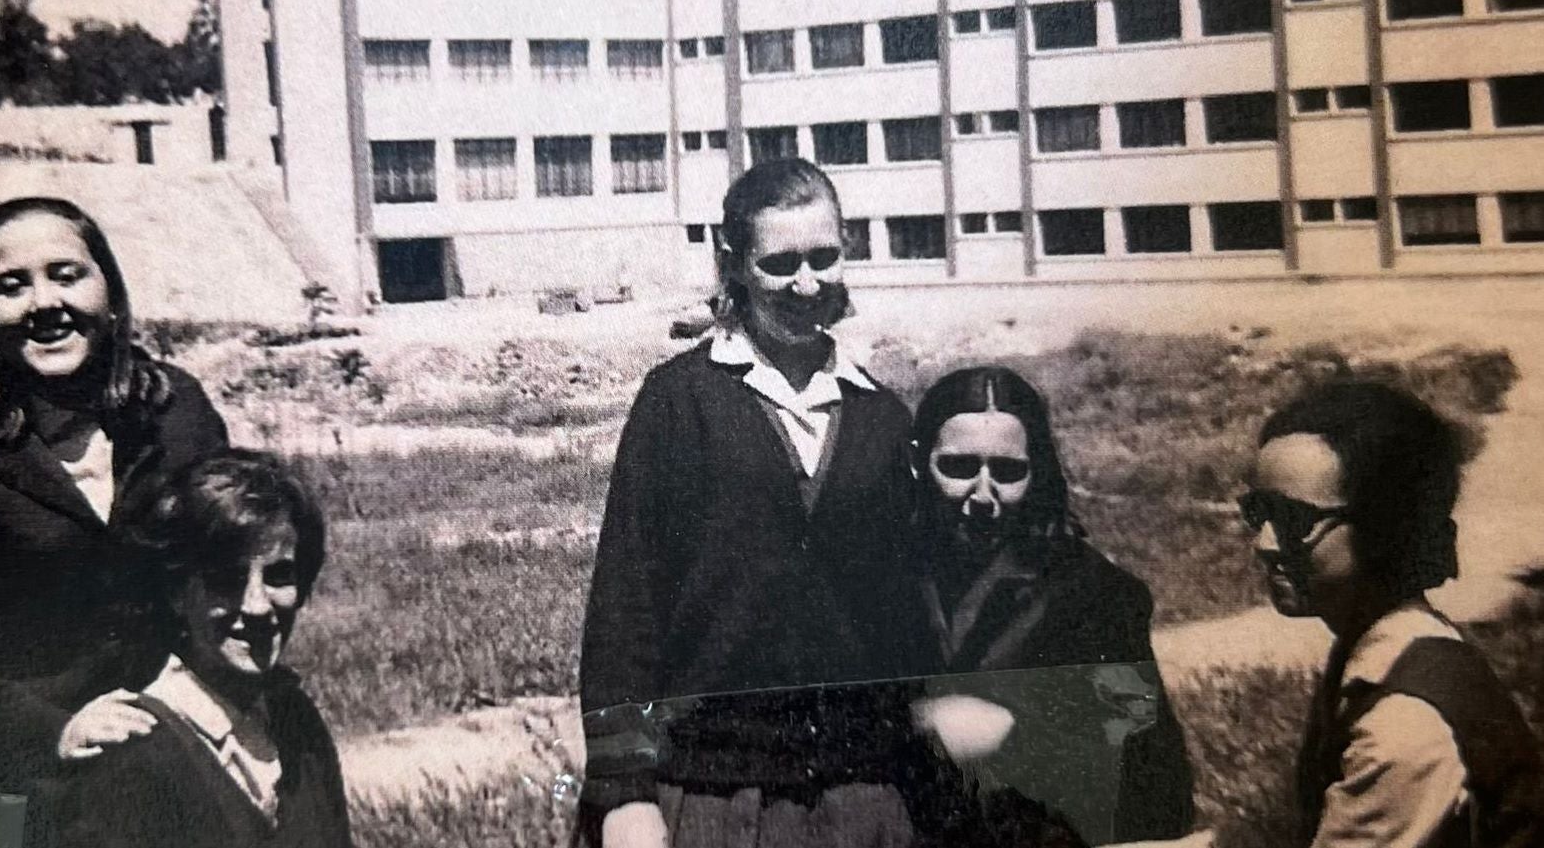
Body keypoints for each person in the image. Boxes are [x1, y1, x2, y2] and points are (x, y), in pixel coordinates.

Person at [577, 158, 931, 848]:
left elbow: (912, 618)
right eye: (780, 263)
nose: (806, 284)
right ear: (734, 264)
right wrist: (623, 790)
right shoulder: (677, 403)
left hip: (860, 797)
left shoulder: (883, 417)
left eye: (823, 258)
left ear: (848, 250)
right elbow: (626, 605)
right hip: (710, 796)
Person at [0, 198, 228, 816]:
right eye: (11, 286)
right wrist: (53, 729)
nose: (44, 303)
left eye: (66, 274)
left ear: (110, 292)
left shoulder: (178, 411)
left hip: (166, 753)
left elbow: (227, 574)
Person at [1247, 382, 1544, 848]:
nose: (1263, 544)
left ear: (1382, 528)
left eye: (1293, 520)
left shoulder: (1403, 729)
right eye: (1257, 512)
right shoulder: (1383, 647)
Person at [907, 366, 1194, 844]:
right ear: (918, 463)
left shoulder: (1097, 595)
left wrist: (1016, 735)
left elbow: (1150, 773)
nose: (982, 495)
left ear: (1036, 471)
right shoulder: (877, 579)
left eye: (1007, 471)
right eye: (958, 467)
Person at [52, 450, 350, 848]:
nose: (257, 605)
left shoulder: (296, 721)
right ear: (177, 592)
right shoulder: (134, 751)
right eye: (226, 580)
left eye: (279, 576)